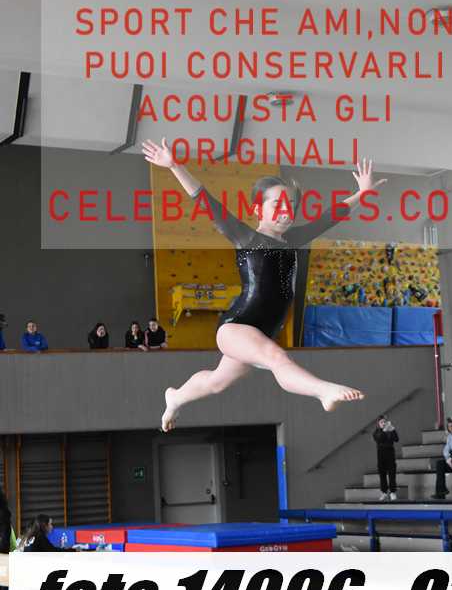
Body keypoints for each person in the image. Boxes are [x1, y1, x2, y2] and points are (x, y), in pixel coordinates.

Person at [142, 138, 386, 431]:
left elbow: (328, 218)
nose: (286, 210)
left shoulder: (293, 239)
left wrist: (361, 193)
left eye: (291, 205)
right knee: (276, 358)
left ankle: (176, 397)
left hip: (263, 330)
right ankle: (322, 390)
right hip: (237, 326)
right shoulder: (247, 237)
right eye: (277, 204)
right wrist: (174, 166)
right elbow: (206, 202)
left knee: (217, 382)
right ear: (258, 209)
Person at [372, 415, 399, 501]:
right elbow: (380, 439)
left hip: (390, 455)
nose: (383, 423)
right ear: (378, 424)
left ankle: (392, 492)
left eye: (384, 422)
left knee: (392, 474)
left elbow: (396, 439)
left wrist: (393, 429)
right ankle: (384, 492)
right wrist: (384, 430)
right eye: (381, 422)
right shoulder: (376, 432)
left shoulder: (390, 430)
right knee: (382, 475)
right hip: (381, 456)